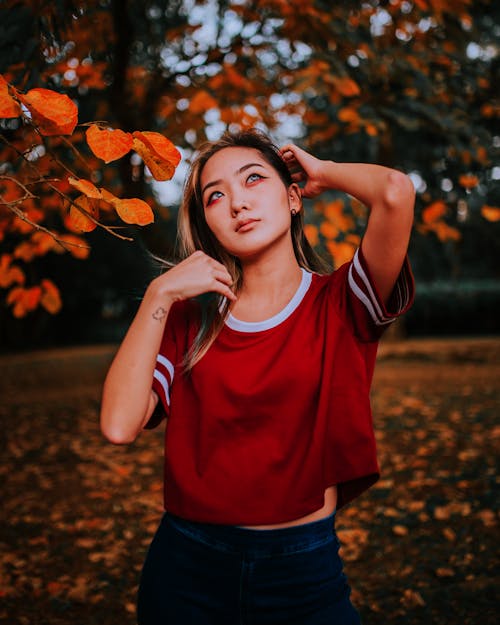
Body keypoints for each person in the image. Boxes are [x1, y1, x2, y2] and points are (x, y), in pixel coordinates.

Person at [100, 128, 415, 625]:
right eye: (216, 195)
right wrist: (159, 296)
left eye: (254, 180)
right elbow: (118, 426)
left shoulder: (340, 303)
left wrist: (323, 172)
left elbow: (395, 191)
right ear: (206, 222)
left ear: (293, 197)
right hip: (187, 567)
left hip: (303, 572)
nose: (237, 204)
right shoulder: (190, 317)